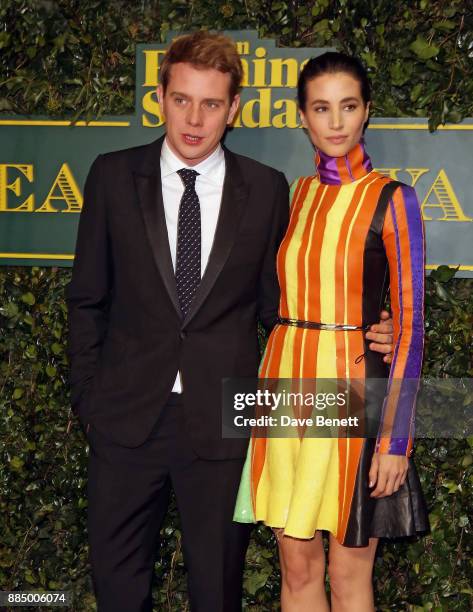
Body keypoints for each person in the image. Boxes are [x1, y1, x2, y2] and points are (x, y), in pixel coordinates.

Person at [66, 32, 394, 612]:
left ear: (234, 108)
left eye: (212, 103)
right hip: (123, 420)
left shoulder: (267, 190)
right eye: (182, 99)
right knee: (116, 589)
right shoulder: (113, 177)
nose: (195, 118)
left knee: (217, 593)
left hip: (225, 423)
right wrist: (90, 401)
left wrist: (375, 325)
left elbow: (285, 306)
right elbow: (87, 299)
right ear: (160, 96)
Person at [234, 52, 429, 611]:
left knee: (348, 575)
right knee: (296, 568)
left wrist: (395, 442)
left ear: (366, 112)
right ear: (302, 117)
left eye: (348, 107)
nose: (336, 122)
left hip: (350, 390)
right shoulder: (295, 196)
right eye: (322, 108)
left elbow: (411, 327)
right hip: (284, 386)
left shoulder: (394, 199)